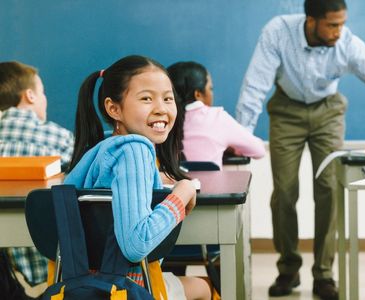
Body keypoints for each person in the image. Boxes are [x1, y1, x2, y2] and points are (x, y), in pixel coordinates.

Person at [235, 0, 365, 298]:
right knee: (284, 192)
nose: (339, 31)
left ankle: (324, 273)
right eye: (333, 24)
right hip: (286, 110)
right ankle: (288, 269)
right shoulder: (278, 32)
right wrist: (241, 138)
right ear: (310, 20)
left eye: (342, 23)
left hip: (328, 112)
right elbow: (255, 85)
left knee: (328, 188)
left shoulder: (346, 43)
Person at [64, 55, 211, 300]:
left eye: (168, 98)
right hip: (128, 287)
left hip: (83, 287)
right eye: (146, 99)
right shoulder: (136, 149)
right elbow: (136, 245)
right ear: (114, 108)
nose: (161, 109)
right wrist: (182, 193)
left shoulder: (102, 148)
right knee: (207, 286)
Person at [0, 61, 74, 296]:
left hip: (6, 268)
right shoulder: (59, 138)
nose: (45, 99)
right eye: (42, 92)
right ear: (30, 95)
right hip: (51, 260)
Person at [167, 61, 265, 169]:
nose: (212, 93)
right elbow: (259, 150)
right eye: (210, 88)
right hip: (211, 186)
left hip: (169, 186)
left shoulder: (162, 119)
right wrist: (230, 146)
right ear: (198, 94)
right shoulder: (217, 118)